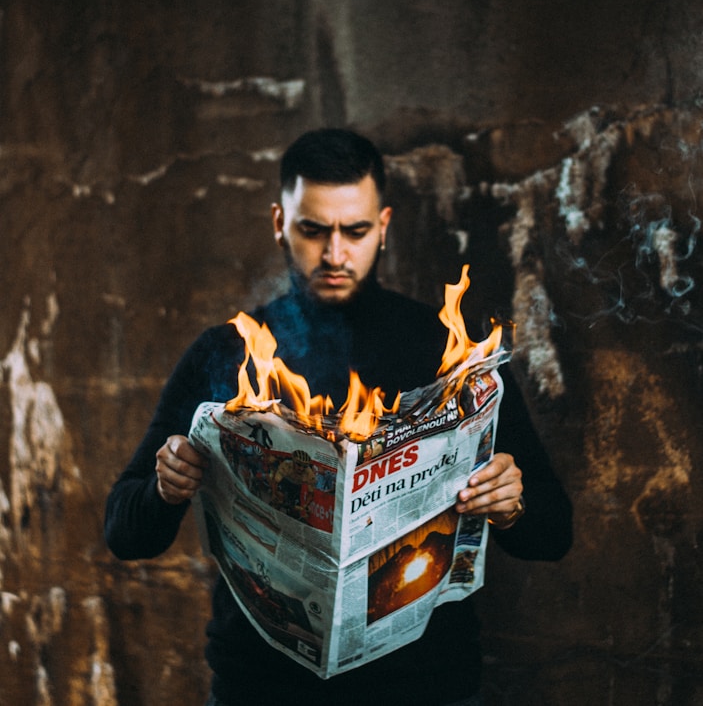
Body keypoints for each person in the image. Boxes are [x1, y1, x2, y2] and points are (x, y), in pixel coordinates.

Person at [105, 128, 572, 706]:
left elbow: (553, 535)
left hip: (425, 690)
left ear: (383, 225)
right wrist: (164, 488)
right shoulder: (226, 353)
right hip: (262, 691)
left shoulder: (447, 350)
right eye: (313, 230)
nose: (334, 254)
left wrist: (511, 504)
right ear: (280, 223)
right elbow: (124, 533)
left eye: (354, 231)